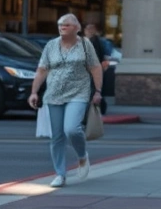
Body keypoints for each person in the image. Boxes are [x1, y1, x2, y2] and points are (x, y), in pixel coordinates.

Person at [28, 13, 103, 188]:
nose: (62, 27)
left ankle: (82, 156)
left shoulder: (85, 45)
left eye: (67, 25)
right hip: (53, 95)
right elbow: (41, 70)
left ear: (76, 28)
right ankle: (60, 174)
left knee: (71, 129)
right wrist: (34, 92)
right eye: (60, 25)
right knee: (57, 136)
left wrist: (98, 90)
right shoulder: (51, 46)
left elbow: (95, 67)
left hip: (78, 93)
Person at [83, 23, 110, 114]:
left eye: (87, 29)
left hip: (92, 70)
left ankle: (98, 108)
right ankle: (99, 107)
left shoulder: (92, 42)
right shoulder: (97, 41)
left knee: (94, 89)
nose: (86, 31)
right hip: (96, 69)